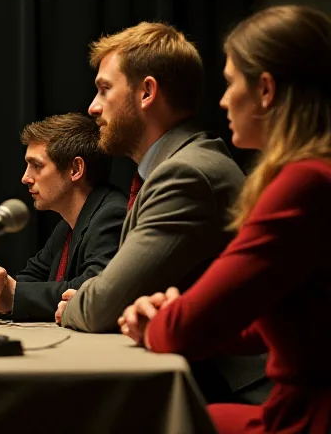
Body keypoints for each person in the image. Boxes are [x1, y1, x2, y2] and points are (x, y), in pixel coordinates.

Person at [119, 5, 331, 434]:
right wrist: (175, 314)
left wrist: (160, 321)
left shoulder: (304, 184)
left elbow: (185, 333)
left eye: (231, 82)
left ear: (266, 90)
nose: (221, 100)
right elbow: (271, 323)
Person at [56, 21, 267, 403]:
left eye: (105, 89)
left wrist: (81, 299)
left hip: (238, 393)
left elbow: (103, 306)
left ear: (147, 92)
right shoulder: (174, 166)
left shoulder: (185, 174)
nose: (93, 107)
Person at [0, 113, 125, 322]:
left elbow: (94, 289)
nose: (25, 178)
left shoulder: (112, 214)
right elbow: (30, 280)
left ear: (76, 169)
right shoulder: (66, 225)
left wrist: (12, 295)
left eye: (37, 165)